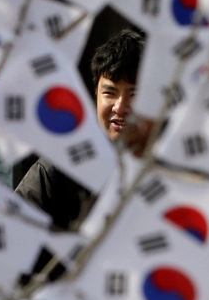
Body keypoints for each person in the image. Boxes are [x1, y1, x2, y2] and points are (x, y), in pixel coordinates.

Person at [15, 28, 144, 231]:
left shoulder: (176, 169)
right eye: (110, 92)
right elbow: (15, 234)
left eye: (133, 94)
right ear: (96, 95)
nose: (119, 107)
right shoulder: (57, 170)